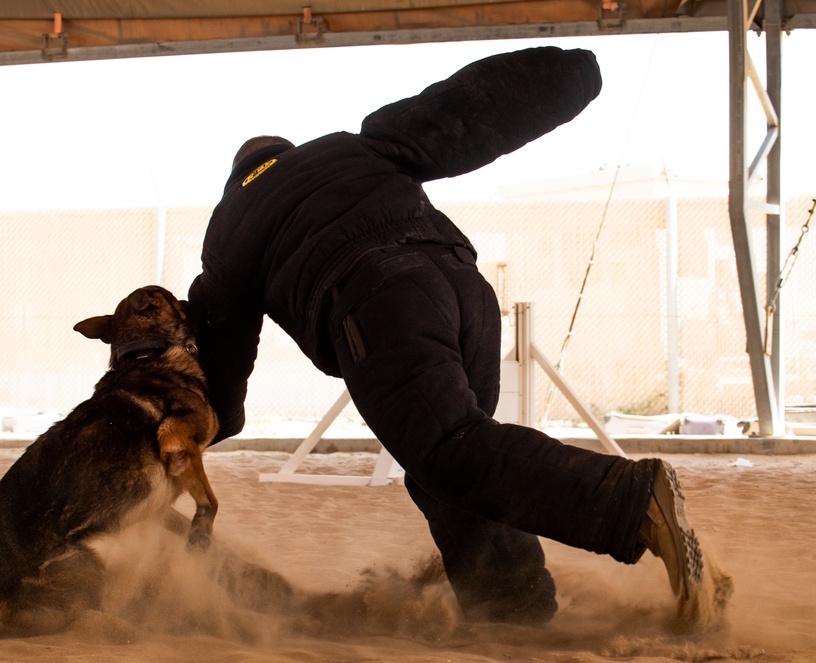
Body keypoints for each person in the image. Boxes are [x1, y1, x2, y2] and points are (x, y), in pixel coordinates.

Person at [186, 46, 731, 629]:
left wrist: (211, 423)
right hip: (462, 288)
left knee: (448, 449)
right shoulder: (352, 148)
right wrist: (572, 74)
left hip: (375, 300)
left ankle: (633, 500)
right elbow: (461, 109)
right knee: (457, 457)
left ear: (234, 183)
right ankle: (512, 607)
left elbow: (222, 350)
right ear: (290, 153)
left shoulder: (230, 228)